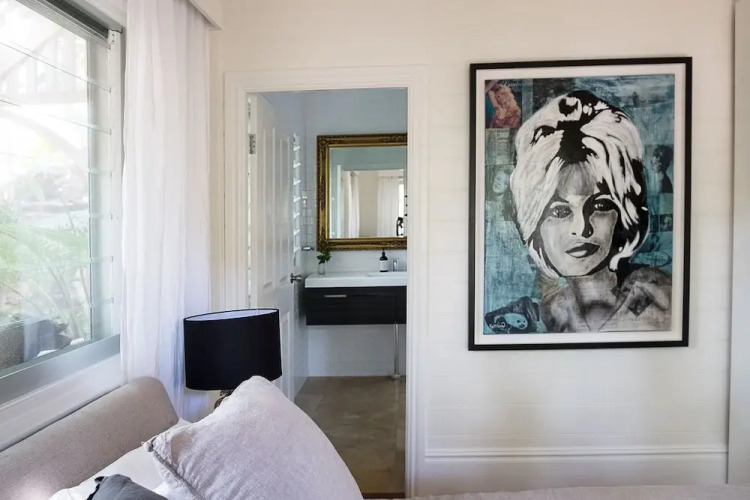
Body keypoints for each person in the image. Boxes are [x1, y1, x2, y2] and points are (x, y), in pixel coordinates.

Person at [509, 90, 671, 333]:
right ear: (533, 222)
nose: (581, 228)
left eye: (600, 206)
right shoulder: (551, 314)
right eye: (560, 211)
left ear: (624, 215)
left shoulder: (660, 299)